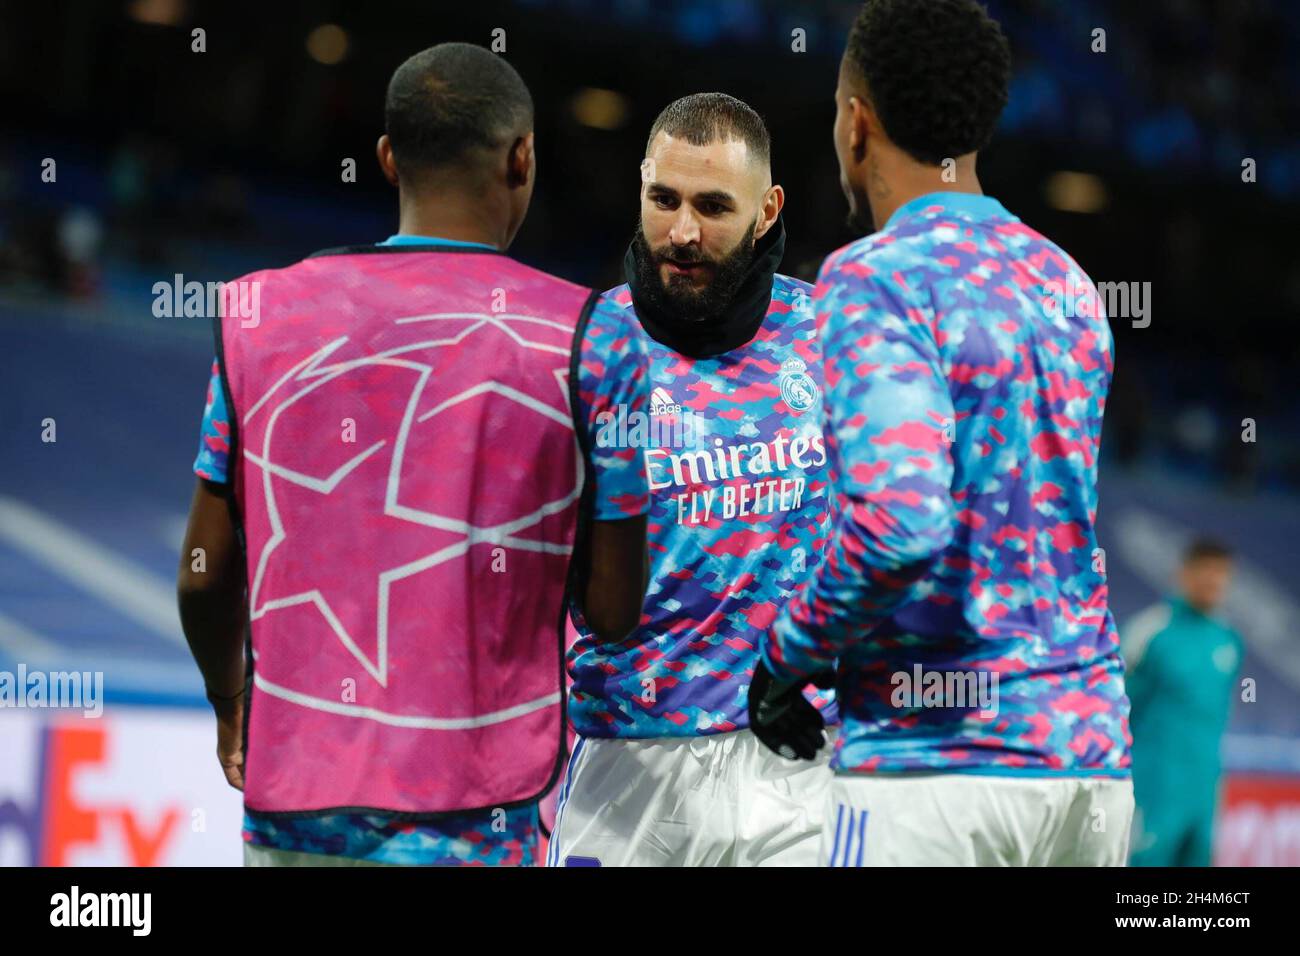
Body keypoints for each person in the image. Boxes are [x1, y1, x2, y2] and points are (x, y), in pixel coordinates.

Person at [177, 42, 649, 867]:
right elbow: (614, 609)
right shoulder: (592, 334)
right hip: (481, 815)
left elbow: (202, 572)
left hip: (297, 803)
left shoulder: (259, 312)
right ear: (522, 157)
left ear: (388, 159)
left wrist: (231, 703)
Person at [752, 0, 1133, 866]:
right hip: (1089, 766)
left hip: (934, 774)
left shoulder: (875, 278)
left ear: (858, 123)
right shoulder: (1068, 282)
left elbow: (899, 526)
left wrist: (787, 657)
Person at [549, 93, 836, 867]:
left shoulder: (835, 336)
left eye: (713, 206)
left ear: (768, 210)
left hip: (803, 768)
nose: (681, 232)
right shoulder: (582, 348)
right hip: (630, 769)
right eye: (663, 199)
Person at [1125, 537, 1243, 866]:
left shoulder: (1229, 640)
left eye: (1222, 573)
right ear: (1184, 574)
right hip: (1152, 786)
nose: (1214, 581)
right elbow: (1115, 709)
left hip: (1204, 788)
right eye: (1206, 571)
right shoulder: (1150, 632)